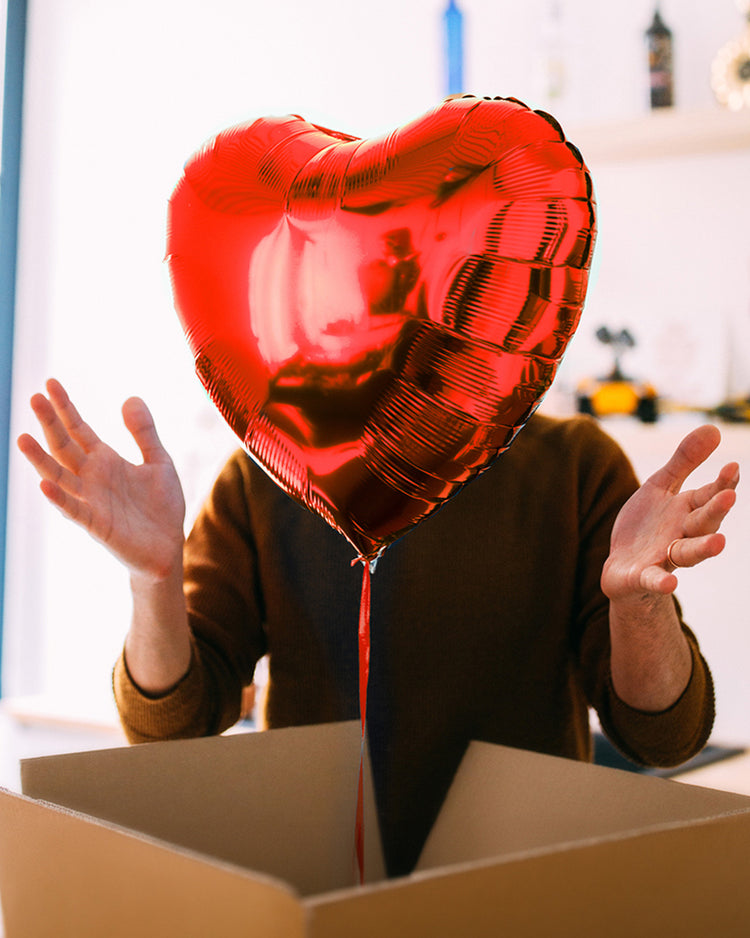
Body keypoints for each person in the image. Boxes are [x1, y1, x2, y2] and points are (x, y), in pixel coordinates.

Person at [18, 378, 739, 876]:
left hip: (524, 896)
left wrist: (638, 603)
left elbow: (663, 736)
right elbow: (167, 724)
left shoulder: (575, 466)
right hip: (316, 895)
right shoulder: (267, 477)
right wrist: (153, 577)